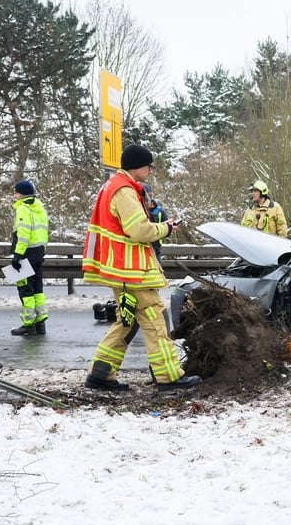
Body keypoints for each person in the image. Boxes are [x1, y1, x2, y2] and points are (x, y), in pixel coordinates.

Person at [81, 144, 201, 391]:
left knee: (126, 320)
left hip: (120, 271)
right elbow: (139, 231)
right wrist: (165, 229)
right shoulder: (124, 191)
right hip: (132, 271)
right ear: (138, 165)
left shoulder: (112, 186)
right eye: (149, 165)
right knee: (154, 317)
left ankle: (100, 373)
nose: (151, 170)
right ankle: (169, 376)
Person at [9, 180, 49, 336]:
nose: (14, 195)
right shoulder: (39, 208)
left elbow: (23, 234)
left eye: (15, 192)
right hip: (38, 251)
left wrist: (18, 255)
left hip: (26, 252)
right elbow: (44, 232)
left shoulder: (23, 209)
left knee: (25, 288)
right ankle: (40, 322)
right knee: (37, 288)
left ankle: (28, 324)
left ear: (21, 194)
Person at [141, 183, 169, 258]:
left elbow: (166, 225)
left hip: (155, 246)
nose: (149, 198)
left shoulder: (158, 210)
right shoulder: (138, 208)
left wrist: (168, 227)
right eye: (148, 195)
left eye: (150, 195)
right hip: (142, 245)